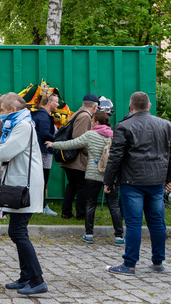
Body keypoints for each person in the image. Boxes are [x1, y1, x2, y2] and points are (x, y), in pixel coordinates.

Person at [104, 91, 171, 276]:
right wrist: (168, 177)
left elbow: (115, 156)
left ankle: (129, 264)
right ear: (149, 106)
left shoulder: (124, 126)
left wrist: (109, 180)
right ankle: (158, 261)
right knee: (157, 222)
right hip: (156, 180)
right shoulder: (165, 125)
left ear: (131, 107)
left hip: (132, 180)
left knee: (134, 223)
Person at [0, 92, 47, 295]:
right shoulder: (19, 123)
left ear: (12, 110)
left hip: (25, 186)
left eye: (4, 111)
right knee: (17, 231)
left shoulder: (22, 126)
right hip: (21, 183)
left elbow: (4, 152)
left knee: (17, 232)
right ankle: (27, 276)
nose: (2, 114)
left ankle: (37, 279)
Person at [48, 111, 123, 245]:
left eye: (93, 120)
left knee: (90, 203)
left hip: (93, 174)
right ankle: (119, 236)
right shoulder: (114, 135)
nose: (91, 123)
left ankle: (89, 234)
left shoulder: (90, 134)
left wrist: (53, 144)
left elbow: (72, 144)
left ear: (97, 122)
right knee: (113, 205)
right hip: (111, 175)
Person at [60, 94, 99, 219]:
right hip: (77, 158)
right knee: (82, 186)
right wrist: (89, 152)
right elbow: (79, 137)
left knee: (72, 185)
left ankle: (66, 212)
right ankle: (81, 214)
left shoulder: (77, 113)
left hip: (71, 157)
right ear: (95, 106)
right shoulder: (85, 116)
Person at [32, 93, 59, 216]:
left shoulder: (39, 115)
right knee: (43, 179)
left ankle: (38, 205)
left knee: (39, 180)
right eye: (56, 102)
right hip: (44, 152)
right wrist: (57, 139)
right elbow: (44, 133)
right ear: (49, 102)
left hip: (38, 150)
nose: (58, 104)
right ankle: (41, 206)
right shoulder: (44, 117)